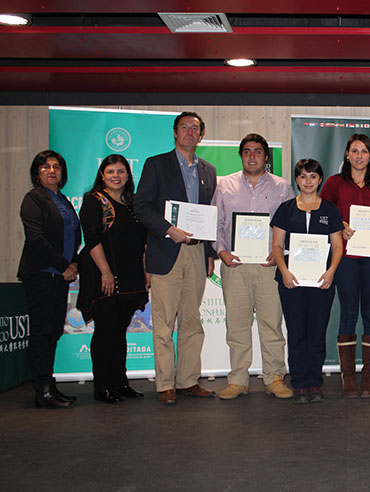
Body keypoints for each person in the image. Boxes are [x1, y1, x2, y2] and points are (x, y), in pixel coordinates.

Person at [133, 111, 218, 405]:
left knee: (193, 322)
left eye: (195, 128)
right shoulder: (157, 164)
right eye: (184, 127)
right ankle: (165, 384)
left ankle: (188, 380)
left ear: (200, 135)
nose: (189, 133)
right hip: (166, 250)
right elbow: (141, 206)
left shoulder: (208, 170)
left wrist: (208, 252)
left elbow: (207, 215)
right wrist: (169, 230)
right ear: (174, 132)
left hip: (196, 252)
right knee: (164, 323)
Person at [211, 133, 295, 400]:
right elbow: (216, 221)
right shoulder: (224, 185)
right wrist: (221, 251)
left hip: (269, 265)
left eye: (257, 151)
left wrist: (278, 253)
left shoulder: (282, 187)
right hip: (234, 265)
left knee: (271, 323)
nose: (252, 156)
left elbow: (290, 225)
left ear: (266, 156)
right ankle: (237, 379)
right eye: (246, 151)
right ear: (241, 155)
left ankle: (275, 377)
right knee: (237, 325)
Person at [321, 134, 370, 398]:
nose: (359, 156)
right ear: (347, 155)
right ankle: (348, 379)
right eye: (354, 151)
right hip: (346, 260)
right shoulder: (334, 183)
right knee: (348, 314)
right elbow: (322, 214)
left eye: (364, 151)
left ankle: (369, 380)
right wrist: (341, 225)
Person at [76, 155, 148, 404]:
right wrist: (106, 272)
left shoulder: (132, 203)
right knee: (105, 331)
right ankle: (103, 386)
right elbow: (92, 239)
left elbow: (141, 241)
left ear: (128, 175)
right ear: (102, 175)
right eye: (110, 172)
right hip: (104, 275)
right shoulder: (94, 200)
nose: (116, 176)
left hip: (130, 277)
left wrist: (145, 269)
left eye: (121, 171)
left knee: (119, 331)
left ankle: (120, 383)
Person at [271, 159, 344, 404]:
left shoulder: (330, 210)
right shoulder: (285, 209)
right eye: (303, 176)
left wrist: (332, 271)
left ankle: (315, 383)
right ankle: (300, 383)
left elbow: (337, 245)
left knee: (316, 332)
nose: (308, 181)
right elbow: (278, 246)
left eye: (313, 176)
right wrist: (285, 272)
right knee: (297, 331)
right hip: (292, 281)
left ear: (320, 179)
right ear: (297, 180)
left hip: (322, 281)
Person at [18, 150, 80, 408]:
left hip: (61, 276)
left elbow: (75, 235)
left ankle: (49, 386)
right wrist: (64, 265)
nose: (51, 171)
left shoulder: (62, 199)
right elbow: (36, 239)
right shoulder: (34, 198)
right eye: (45, 167)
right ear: (37, 172)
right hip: (43, 274)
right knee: (42, 332)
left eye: (56, 167)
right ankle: (42, 389)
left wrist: (74, 263)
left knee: (53, 331)